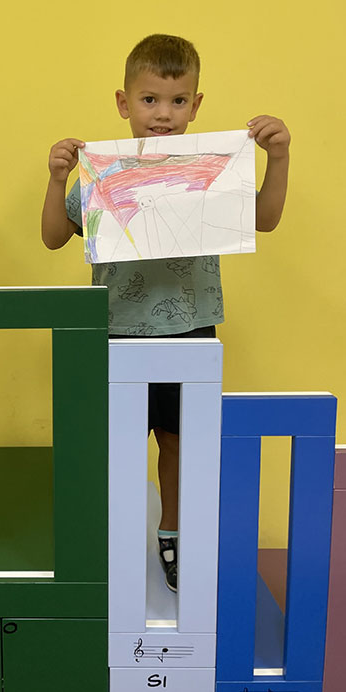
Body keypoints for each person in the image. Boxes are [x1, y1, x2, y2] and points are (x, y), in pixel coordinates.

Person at [41, 34, 289, 592]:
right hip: (115, 330)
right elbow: (55, 236)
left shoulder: (213, 167)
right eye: (149, 99)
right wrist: (57, 179)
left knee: (178, 441)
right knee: (117, 442)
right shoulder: (102, 170)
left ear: (196, 106)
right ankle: (112, 538)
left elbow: (266, 219)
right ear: (123, 103)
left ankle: (171, 532)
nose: (163, 114)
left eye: (177, 101)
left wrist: (279, 158)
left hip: (190, 329)